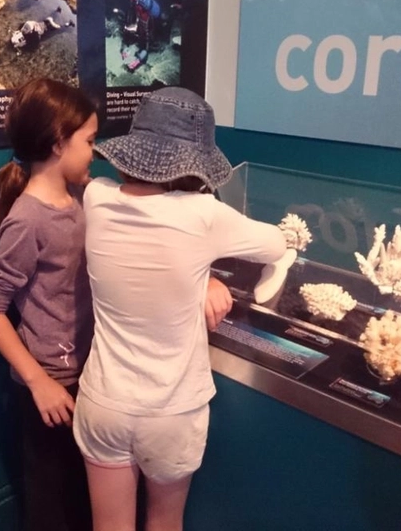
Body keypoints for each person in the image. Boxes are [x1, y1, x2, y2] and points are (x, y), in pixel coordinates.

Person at [0, 79, 232, 531]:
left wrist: (206, 276)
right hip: (53, 388)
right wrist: (38, 382)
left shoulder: (88, 195)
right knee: (54, 509)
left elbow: (158, 235)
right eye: (90, 141)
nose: (95, 153)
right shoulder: (27, 219)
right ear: (58, 143)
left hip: (97, 380)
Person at [73, 87, 288, 531]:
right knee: (165, 523)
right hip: (172, 412)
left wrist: (202, 273)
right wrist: (206, 271)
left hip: (102, 402)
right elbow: (276, 244)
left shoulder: (96, 197)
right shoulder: (205, 214)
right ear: (196, 162)